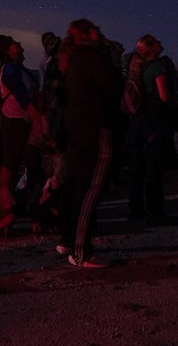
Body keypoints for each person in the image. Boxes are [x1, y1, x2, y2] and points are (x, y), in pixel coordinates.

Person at [57, 18, 120, 268]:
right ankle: (81, 252)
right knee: (91, 190)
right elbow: (114, 86)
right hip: (95, 130)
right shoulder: (90, 58)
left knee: (78, 187)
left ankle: (70, 240)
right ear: (89, 33)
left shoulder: (72, 60)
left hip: (79, 131)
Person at [125, 35, 177, 226]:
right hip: (153, 122)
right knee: (154, 168)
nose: (161, 43)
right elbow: (164, 96)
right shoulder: (156, 67)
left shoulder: (136, 67)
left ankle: (136, 208)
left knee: (137, 168)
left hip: (137, 123)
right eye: (157, 41)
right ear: (151, 48)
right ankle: (156, 212)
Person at [0, 36, 37, 194]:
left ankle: (9, 196)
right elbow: (22, 96)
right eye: (15, 44)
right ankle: (3, 197)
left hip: (20, 120)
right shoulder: (10, 70)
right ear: (8, 50)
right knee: (11, 160)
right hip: (14, 120)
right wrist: (38, 118)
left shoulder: (19, 69)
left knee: (14, 159)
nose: (20, 45)